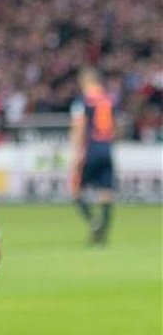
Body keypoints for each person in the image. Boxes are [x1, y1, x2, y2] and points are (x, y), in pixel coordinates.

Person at [69, 65, 118, 245]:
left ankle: (94, 222)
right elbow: (116, 127)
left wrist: (76, 153)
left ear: (85, 80)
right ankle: (102, 234)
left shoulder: (82, 101)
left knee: (76, 191)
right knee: (106, 192)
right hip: (106, 148)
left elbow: (79, 127)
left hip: (89, 150)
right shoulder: (109, 99)